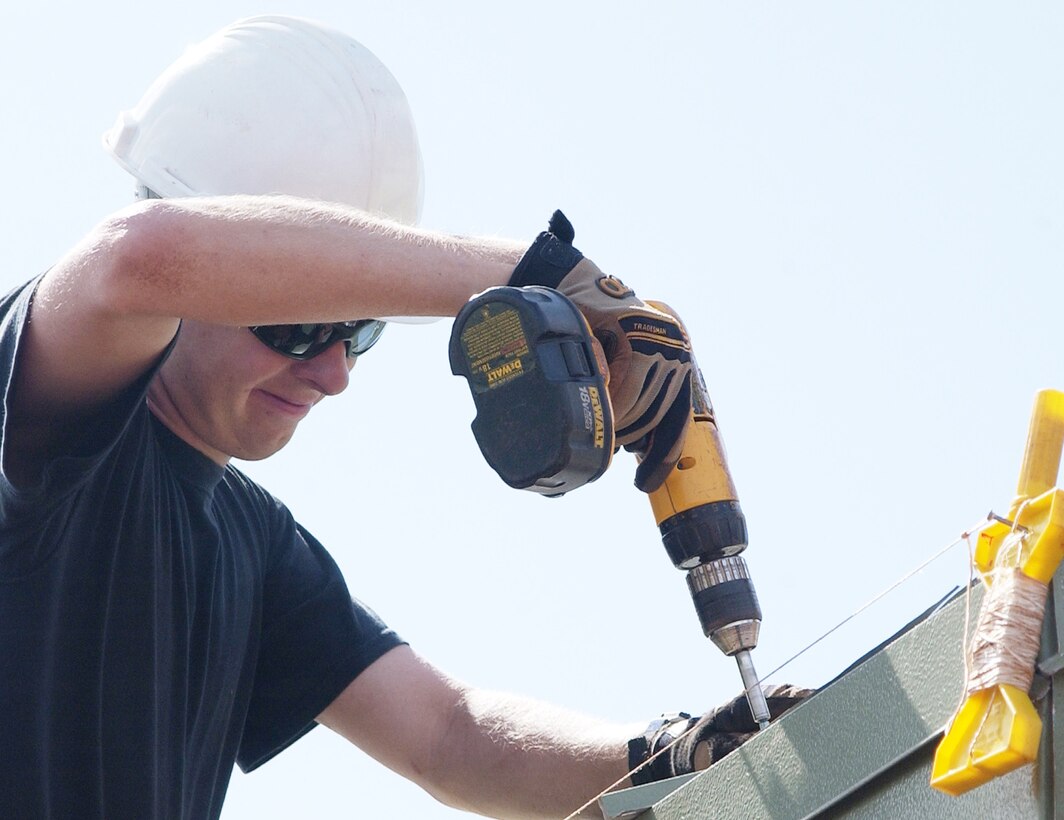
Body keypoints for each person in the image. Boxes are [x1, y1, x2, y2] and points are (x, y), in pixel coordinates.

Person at [0, 15, 806, 819]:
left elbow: (449, 737)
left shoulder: (255, 544)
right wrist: (538, 276)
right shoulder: (47, 421)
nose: (334, 373)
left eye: (361, 333)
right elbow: (133, 259)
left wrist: (676, 753)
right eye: (303, 325)